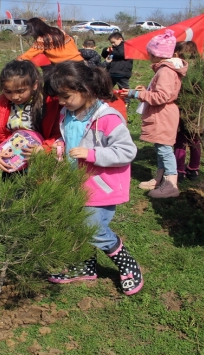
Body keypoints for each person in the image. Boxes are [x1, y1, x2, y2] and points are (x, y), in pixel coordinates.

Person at [43, 61, 143, 295]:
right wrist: (60, 147)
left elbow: (127, 151)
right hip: (74, 182)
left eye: (65, 96)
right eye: (58, 97)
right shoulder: (67, 114)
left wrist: (92, 154)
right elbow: (70, 142)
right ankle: (85, 267)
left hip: (100, 186)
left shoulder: (108, 118)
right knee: (78, 226)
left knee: (94, 228)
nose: (60, 102)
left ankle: (127, 265)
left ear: (85, 88)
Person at [123, 29, 188, 198]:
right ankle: (159, 179)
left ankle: (171, 185)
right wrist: (146, 91)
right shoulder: (164, 69)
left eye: (150, 53)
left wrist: (135, 94)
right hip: (162, 113)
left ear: (158, 54)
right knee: (160, 148)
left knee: (165, 149)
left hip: (163, 115)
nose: (149, 56)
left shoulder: (165, 71)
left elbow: (162, 96)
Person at [0, 60, 61, 175]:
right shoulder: (1, 103)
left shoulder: (49, 103)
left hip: (43, 162)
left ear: (35, 85)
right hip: (12, 164)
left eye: (21, 91)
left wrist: (45, 149)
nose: (15, 96)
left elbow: (59, 133)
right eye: (8, 92)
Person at [172, 41, 202, 182]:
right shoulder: (203, 68)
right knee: (195, 140)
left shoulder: (180, 68)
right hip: (199, 111)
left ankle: (179, 170)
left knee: (180, 140)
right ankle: (194, 168)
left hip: (182, 109)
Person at [17, 17, 83, 64]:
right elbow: (72, 42)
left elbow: (29, 54)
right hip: (80, 61)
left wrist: (18, 60)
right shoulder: (60, 31)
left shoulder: (42, 40)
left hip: (65, 66)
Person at [101, 32, 133, 103]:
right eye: (111, 42)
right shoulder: (114, 48)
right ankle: (105, 100)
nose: (112, 44)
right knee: (107, 87)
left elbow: (121, 53)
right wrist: (105, 50)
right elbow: (105, 55)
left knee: (124, 89)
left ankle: (126, 102)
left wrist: (112, 51)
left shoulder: (126, 47)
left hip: (122, 73)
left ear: (120, 39)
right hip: (111, 72)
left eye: (113, 42)